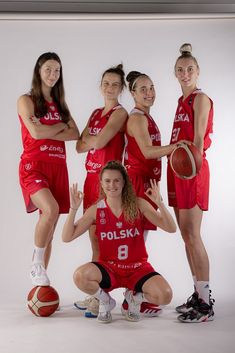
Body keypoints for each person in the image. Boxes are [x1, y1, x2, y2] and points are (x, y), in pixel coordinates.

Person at [62, 160, 176, 323]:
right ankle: (106, 301)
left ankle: (133, 299)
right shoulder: (96, 210)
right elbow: (67, 237)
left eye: (116, 180)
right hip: (109, 268)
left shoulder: (138, 204)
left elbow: (171, 228)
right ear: (101, 183)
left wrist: (160, 204)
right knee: (80, 276)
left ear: (124, 182)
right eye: (107, 181)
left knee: (165, 296)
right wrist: (73, 209)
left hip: (137, 268)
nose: (112, 185)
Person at [17, 52, 79, 287]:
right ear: (39, 71)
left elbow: (75, 133)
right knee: (50, 209)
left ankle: (39, 284)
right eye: (48, 70)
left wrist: (50, 127)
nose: (53, 75)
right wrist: (60, 126)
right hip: (34, 166)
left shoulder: (60, 103)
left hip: (57, 167)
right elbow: (36, 133)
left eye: (57, 71)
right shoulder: (27, 100)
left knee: (50, 226)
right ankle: (36, 265)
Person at [123, 71, 180, 316]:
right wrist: (175, 148)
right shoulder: (137, 118)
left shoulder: (147, 116)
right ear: (133, 94)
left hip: (147, 182)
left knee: (139, 240)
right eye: (143, 89)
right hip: (137, 183)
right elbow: (147, 152)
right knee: (135, 242)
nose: (149, 93)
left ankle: (133, 295)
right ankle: (130, 297)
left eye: (152, 87)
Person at [74, 64, 128, 317]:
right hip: (89, 179)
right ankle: (96, 293)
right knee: (93, 237)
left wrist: (91, 141)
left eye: (115, 84)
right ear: (100, 85)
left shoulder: (119, 113)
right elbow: (79, 146)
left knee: (103, 241)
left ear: (121, 88)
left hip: (108, 183)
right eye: (106, 83)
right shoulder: (96, 112)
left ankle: (103, 296)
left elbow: (100, 141)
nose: (109, 88)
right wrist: (90, 141)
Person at [167, 43, 214, 323]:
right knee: (185, 235)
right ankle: (198, 294)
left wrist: (189, 168)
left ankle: (206, 304)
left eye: (190, 69)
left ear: (198, 71)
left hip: (192, 171)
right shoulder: (179, 101)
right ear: (175, 74)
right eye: (180, 70)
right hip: (178, 169)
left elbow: (197, 142)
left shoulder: (200, 98)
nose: (185, 74)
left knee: (193, 235)